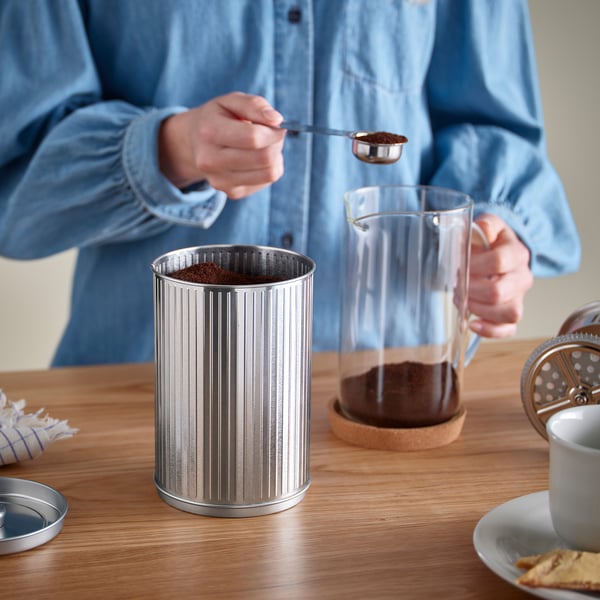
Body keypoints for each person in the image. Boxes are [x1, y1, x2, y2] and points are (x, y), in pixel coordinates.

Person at [0, 1, 580, 367]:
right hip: (143, 393)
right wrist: (172, 148)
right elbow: (18, 191)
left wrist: (490, 237)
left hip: (391, 389)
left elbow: (490, 126)